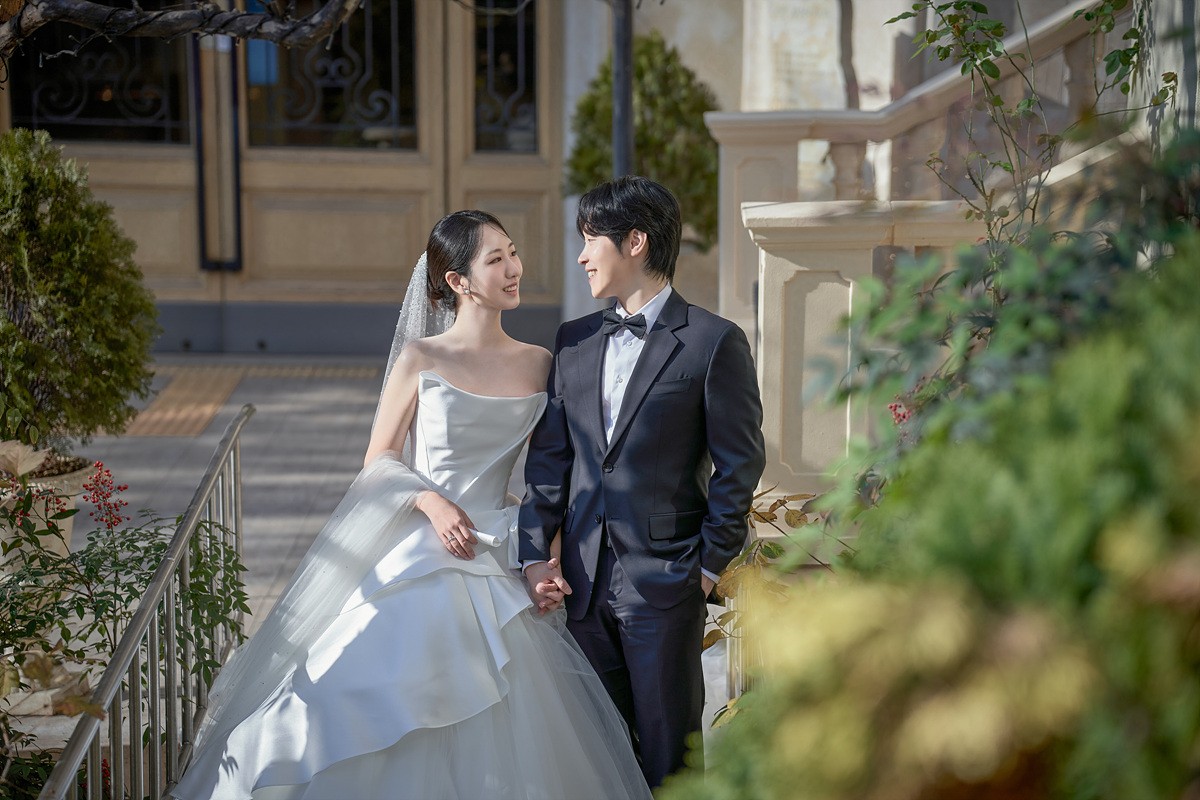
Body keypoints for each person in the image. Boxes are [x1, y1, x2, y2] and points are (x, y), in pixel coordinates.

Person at [171, 211, 651, 800]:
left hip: (497, 549)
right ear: (457, 281)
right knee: (357, 690)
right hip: (424, 545)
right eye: (495, 259)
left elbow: (550, 478)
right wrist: (430, 501)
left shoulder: (540, 364)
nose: (514, 268)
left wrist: (543, 559)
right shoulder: (421, 357)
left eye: (513, 252)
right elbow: (379, 457)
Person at [519, 177, 767, 788]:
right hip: (579, 585)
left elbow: (740, 463)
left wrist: (705, 568)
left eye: (590, 239)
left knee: (669, 759)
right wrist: (534, 554)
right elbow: (550, 461)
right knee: (594, 759)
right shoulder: (573, 340)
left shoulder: (713, 342)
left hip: (666, 583)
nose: (582, 256)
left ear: (635, 242)